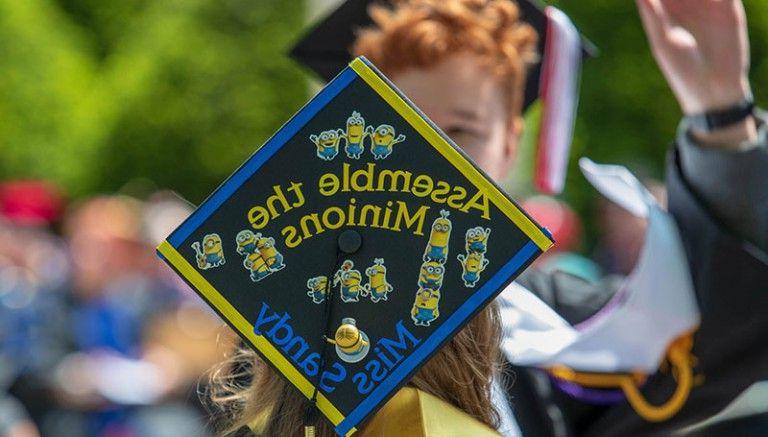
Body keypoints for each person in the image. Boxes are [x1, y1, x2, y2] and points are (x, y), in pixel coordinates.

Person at [212, 0, 768, 435]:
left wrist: (720, 114)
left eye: (460, 131)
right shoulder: (287, 326)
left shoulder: (559, 331)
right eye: (401, 126)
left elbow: (730, 325)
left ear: (509, 145)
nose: (428, 157)